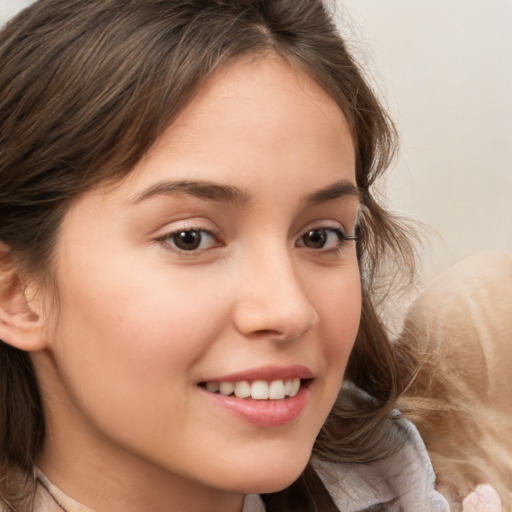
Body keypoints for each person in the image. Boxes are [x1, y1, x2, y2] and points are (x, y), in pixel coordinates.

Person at [0, 1, 504, 511]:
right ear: (16, 293)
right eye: (190, 238)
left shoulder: (426, 484)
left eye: (320, 237)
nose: (288, 310)